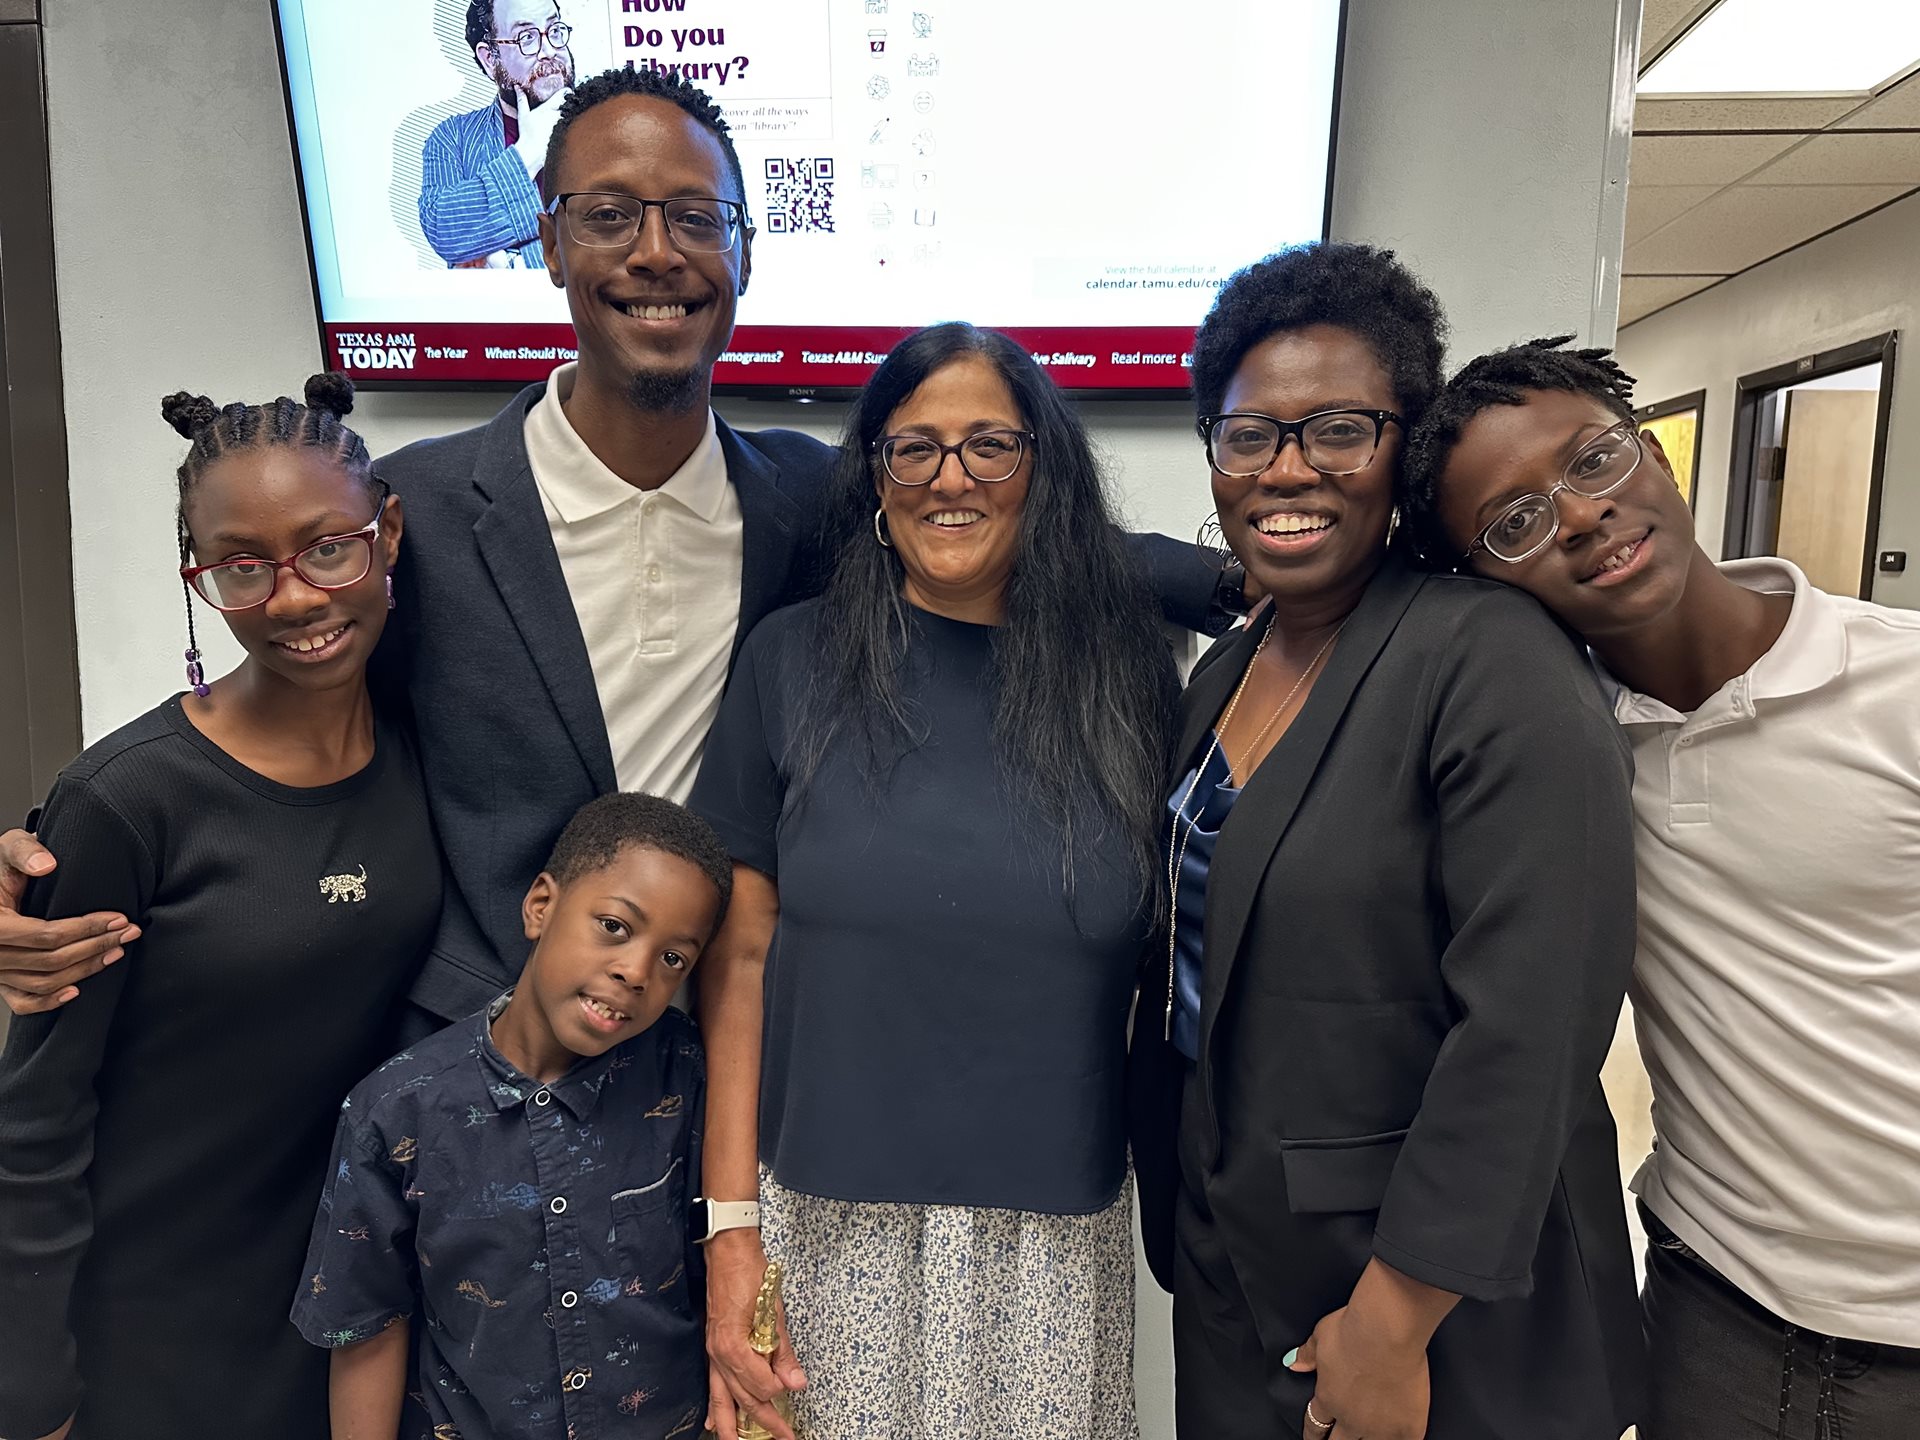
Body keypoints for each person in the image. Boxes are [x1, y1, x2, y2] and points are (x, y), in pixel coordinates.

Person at [0, 66, 1234, 1028]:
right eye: (610, 216)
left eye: (696, 216)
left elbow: (1017, 527)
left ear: (745, 249)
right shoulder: (419, 510)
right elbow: (282, 691)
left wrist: (1250, 583)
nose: (657, 251)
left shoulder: (808, 499)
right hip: (483, 1060)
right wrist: (65, 840)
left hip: (735, 1049)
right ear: (547, 243)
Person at [1126, 245, 1647, 1440]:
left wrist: (1396, 1317)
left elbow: (1535, 1019)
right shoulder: (1229, 670)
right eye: (1249, 434)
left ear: (1404, 448)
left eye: (1339, 431)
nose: (1287, 469)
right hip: (1238, 1256)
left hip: (1431, 1300)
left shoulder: (1490, 659)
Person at [1405, 337, 1920, 1439]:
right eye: (1515, 522)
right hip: (1711, 1318)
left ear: (1657, 458)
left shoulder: (1902, 685)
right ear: (1485, 587)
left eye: (1592, 463)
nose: (1579, 514)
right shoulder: (1556, 754)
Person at [688, 321, 1178, 1440]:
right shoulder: (791, 661)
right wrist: (729, 1232)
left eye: (989, 446)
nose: (948, 478)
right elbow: (741, 962)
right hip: (825, 1231)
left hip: (1053, 1244)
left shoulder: (1134, 678)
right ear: (875, 476)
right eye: (914, 448)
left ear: (1041, 471)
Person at [0, 377, 441, 1440]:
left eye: (327, 547)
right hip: (150, 1339)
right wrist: (32, 1398)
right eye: (241, 567)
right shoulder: (126, 801)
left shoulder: (430, 747)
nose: (292, 598)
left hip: (349, 1318)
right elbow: (37, 1125)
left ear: (386, 532)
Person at [294, 792, 728, 1440]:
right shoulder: (396, 1110)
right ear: (541, 906)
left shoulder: (689, 1077)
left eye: (673, 959)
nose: (635, 971)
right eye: (614, 925)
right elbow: (366, 1323)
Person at [420, 1, 577, 268]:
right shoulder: (452, 139)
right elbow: (445, 232)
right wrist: (528, 153)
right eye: (526, 37)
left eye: (553, 30)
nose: (549, 50)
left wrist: (488, 238)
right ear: (490, 59)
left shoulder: (607, 123)